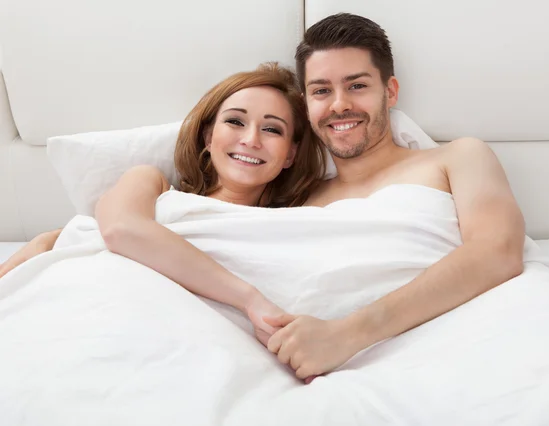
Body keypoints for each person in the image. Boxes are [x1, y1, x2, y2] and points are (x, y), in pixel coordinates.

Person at [1, 13, 526, 382]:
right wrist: (61, 237)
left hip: (398, 348)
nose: (339, 105)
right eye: (321, 90)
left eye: (357, 85)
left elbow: (498, 250)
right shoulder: (292, 204)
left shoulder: (455, 158)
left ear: (390, 91)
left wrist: (348, 334)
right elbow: (220, 245)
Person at [0, 62, 326, 348]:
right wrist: (249, 299)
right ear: (208, 137)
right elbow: (119, 229)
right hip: (98, 310)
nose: (251, 139)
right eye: (235, 122)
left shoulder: (288, 223)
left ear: (291, 154)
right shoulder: (151, 183)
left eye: (271, 129)